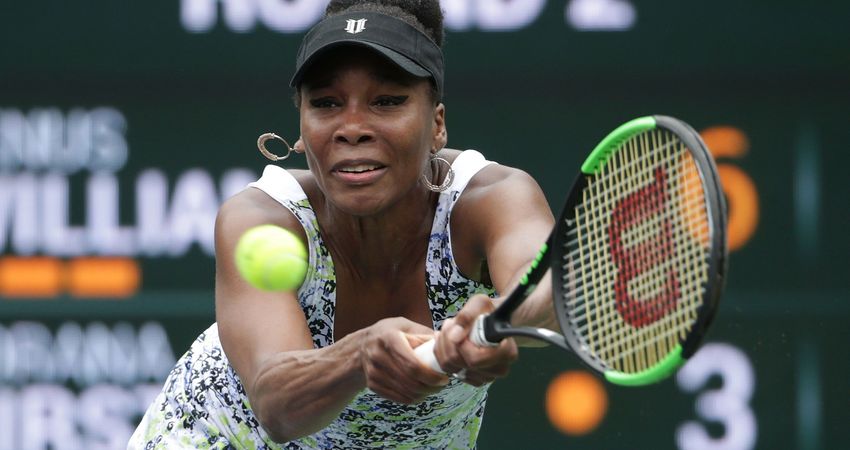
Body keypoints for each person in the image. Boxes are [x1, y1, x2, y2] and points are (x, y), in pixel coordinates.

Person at [129, 0, 557, 448]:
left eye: (387, 101)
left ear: (437, 125)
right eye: (327, 103)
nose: (352, 127)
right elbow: (276, 405)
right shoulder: (263, 219)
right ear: (300, 127)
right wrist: (360, 353)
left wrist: (497, 319)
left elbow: (545, 288)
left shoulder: (490, 199)